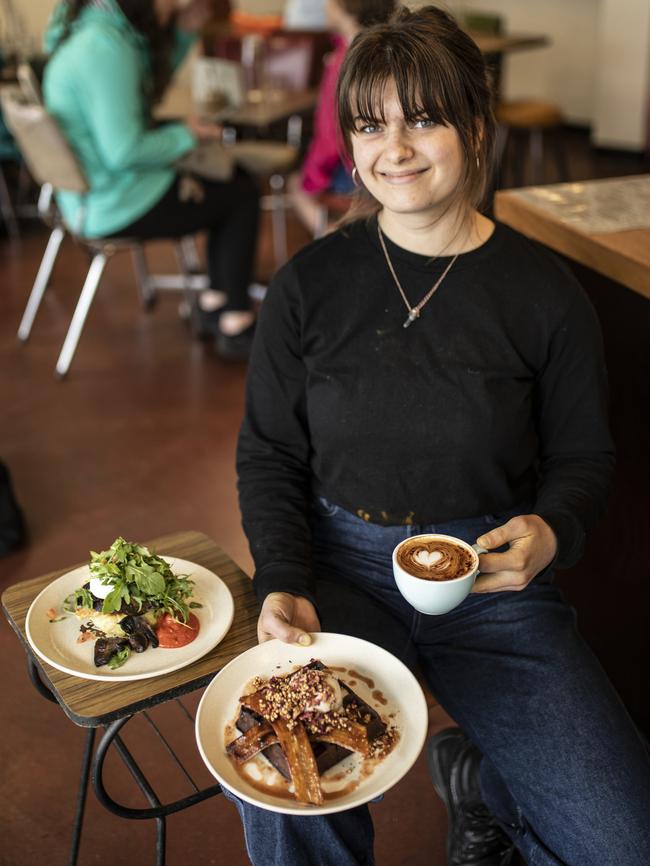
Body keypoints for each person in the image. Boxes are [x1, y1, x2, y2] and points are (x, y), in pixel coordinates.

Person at [233, 6, 650, 866]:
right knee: (290, 782)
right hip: (336, 570)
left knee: (625, 843)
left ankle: (484, 784)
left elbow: (583, 458)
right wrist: (281, 576)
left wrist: (551, 529)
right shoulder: (308, 286)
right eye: (371, 123)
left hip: (491, 576)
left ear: (475, 126)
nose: (396, 147)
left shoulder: (544, 294)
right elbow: (270, 451)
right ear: (350, 143)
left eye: (424, 117)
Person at [43, 0, 258, 360]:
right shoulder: (106, 47)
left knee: (231, 183)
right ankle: (233, 318)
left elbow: (140, 89)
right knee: (240, 193)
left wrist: (184, 34)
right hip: (114, 202)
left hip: (89, 199)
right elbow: (125, 151)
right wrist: (188, 133)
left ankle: (214, 302)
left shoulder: (97, 30)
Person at [288, 0, 395, 236]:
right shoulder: (388, 53)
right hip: (385, 165)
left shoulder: (342, 61)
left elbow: (330, 138)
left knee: (295, 186)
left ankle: (331, 239)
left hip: (356, 173)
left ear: (345, 6)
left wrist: (312, 180)